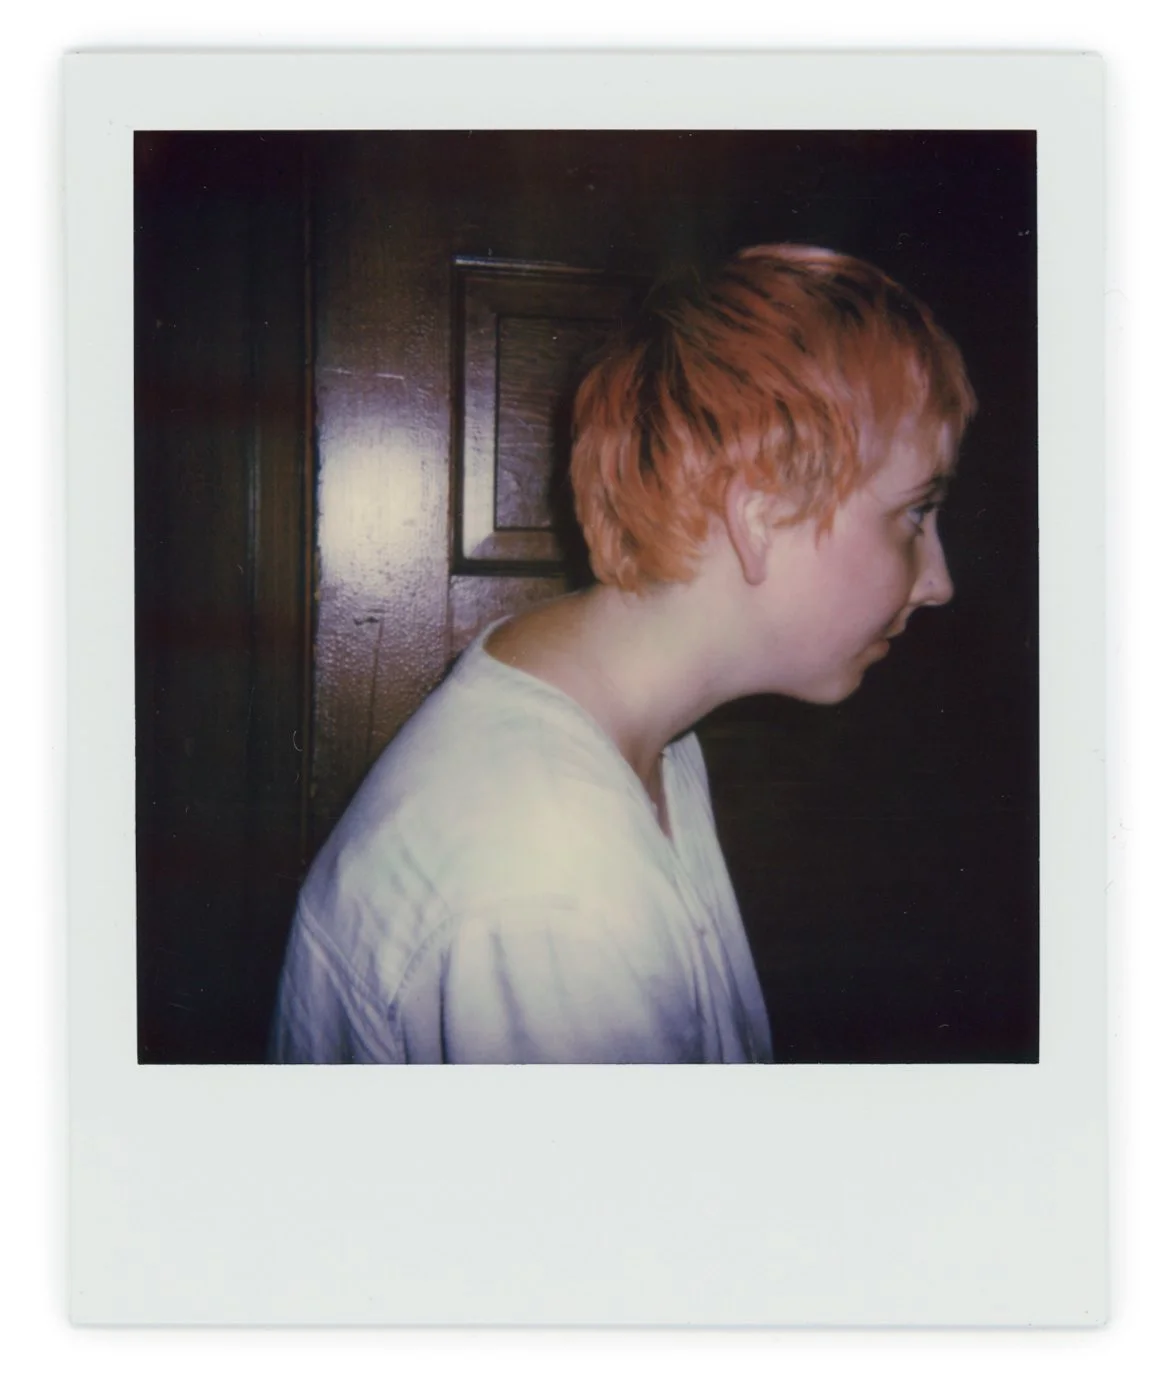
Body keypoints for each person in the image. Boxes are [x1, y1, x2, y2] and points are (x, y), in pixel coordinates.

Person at [269, 243, 976, 1064]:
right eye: (914, 515)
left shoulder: (641, 736)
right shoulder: (554, 880)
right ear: (760, 518)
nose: (938, 582)